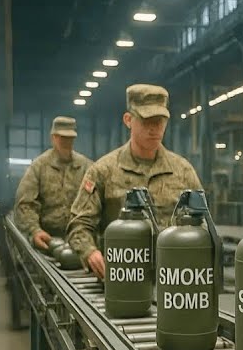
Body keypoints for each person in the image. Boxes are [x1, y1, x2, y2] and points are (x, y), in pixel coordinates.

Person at [67, 84, 202, 279]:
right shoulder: (104, 171)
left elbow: (202, 225)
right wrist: (90, 252)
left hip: (174, 280)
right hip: (122, 280)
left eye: (160, 121)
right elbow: (79, 224)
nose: (155, 128)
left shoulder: (183, 171)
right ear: (128, 120)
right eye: (147, 120)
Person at [13, 116, 92, 250]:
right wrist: (34, 231)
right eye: (63, 138)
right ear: (53, 137)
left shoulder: (86, 167)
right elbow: (25, 204)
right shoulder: (39, 166)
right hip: (47, 239)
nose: (67, 142)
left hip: (80, 238)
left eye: (70, 138)